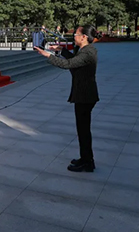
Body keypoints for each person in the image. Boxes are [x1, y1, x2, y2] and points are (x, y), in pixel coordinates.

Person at [35, 25, 100, 172]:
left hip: (85, 96)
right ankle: (85, 158)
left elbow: (68, 64)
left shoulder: (88, 52)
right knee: (82, 130)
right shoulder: (85, 51)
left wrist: (48, 55)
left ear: (84, 37)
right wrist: (61, 50)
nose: (74, 37)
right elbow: (75, 61)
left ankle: (88, 162)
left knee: (83, 131)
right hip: (84, 94)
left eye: (76, 34)